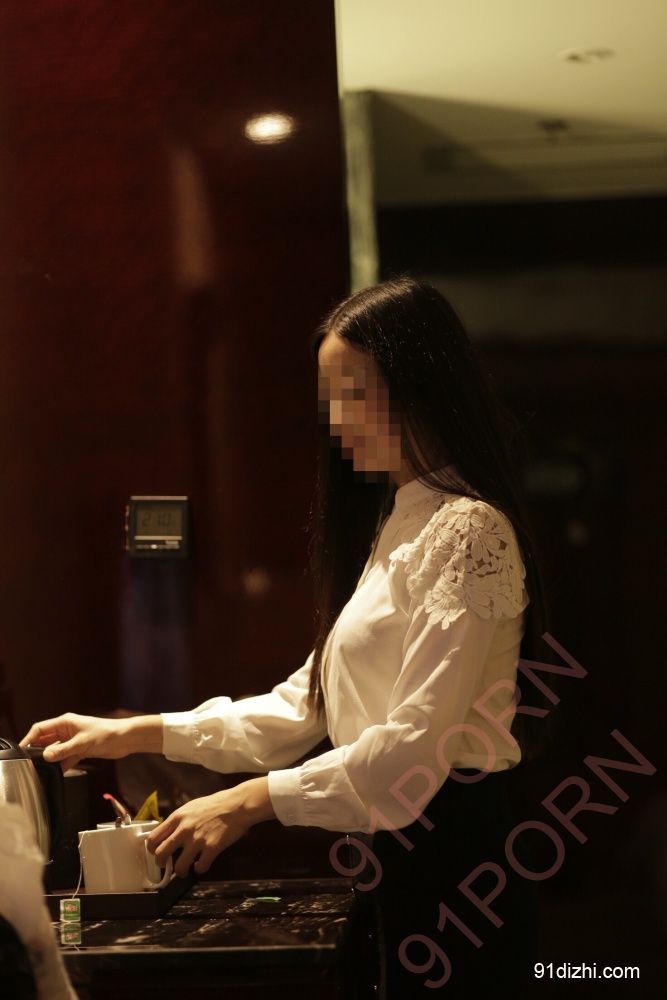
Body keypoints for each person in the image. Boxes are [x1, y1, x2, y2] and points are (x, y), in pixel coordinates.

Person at [23, 277, 547, 998]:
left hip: (453, 858)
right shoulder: (401, 522)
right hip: (396, 849)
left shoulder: (468, 528)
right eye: (329, 399)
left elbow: (413, 752)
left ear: (420, 383)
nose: (337, 420)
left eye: (354, 393)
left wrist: (247, 802)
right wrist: (133, 733)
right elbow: (304, 706)